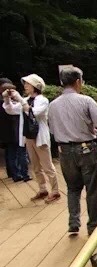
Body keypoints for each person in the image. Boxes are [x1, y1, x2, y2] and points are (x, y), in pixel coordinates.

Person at [48, 66, 97, 236]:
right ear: (78, 82)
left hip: (64, 151)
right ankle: (93, 226)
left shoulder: (53, 105)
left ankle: (73, 223)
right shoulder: (86, 101)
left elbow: (53, 131)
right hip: (86, 149)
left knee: (72, 188)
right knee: (92, 189)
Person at [14, 74, 59, 202]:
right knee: (35, 166)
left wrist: (19, 99)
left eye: (28, 84)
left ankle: (55, 191)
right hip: (28, 136)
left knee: (47, 166)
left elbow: (34, 112)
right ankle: (42, 189)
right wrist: (7, 98)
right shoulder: (26, 99)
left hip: (40, 136)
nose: (25, 86)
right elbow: (11, 110)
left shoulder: (43, 100)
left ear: (35, 86)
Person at [0, 78, 29, 182]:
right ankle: (20, 173)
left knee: (11, 153)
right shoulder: (13, 101)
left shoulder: (6, 101)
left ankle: (13, 173)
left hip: (6, 132)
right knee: (18, 153)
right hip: (15, 130)